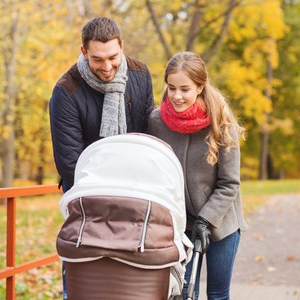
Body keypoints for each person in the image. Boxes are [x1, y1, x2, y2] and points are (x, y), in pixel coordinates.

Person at [49, 17, 154, 299]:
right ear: (84, 52)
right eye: (97, 59)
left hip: (136, 196)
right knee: (87, 281)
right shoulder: (66, 90)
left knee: (130, 283)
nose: (107, 67)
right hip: (88, 199)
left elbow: (148, 136)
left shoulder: (141, 74)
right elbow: (70, 163)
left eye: (113, 57)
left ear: (122, 47)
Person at [148, 51, 248, 300]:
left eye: (185, 89)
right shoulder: (157, 121)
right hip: (180, 227)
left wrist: (205, 220)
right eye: (171, 88)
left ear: (200, 86)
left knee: (217, 295)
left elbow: (229, 183)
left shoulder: (222, 124)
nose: (177, 96)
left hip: (221, 224)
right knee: (180, 293)